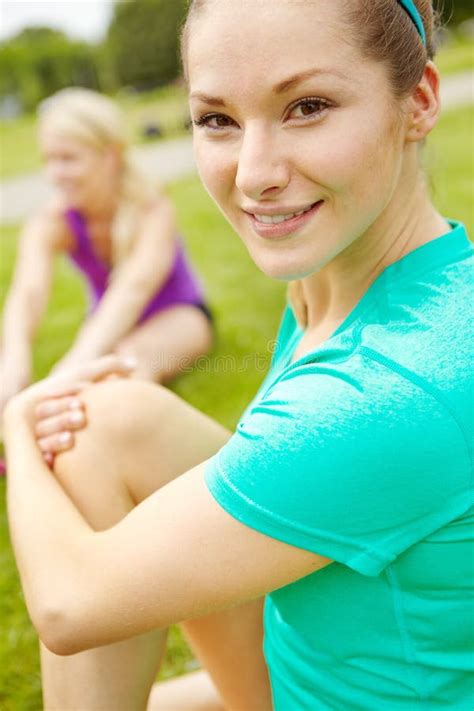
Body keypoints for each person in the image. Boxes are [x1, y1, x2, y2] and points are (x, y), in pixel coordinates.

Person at [3, 1, 473, 709]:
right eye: (217, 119)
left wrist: (17, 420)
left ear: (418, 102)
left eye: (308, 106)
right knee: (105, 420)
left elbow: (72, 605)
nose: (254, 174)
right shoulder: (361, 285)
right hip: (308, 670)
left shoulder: (389, 382)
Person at [0, 88, 214, 422]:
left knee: (122, 368)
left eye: (68, 159)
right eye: (49, 159)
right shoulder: (52, 221)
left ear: (110, 155)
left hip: (178, 316)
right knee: (91, 372)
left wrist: (73, 364)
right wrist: (13, 363)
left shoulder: (152, 208)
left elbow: (134, 288)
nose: (54, 174)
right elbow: (27, 293)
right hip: (106, 324)